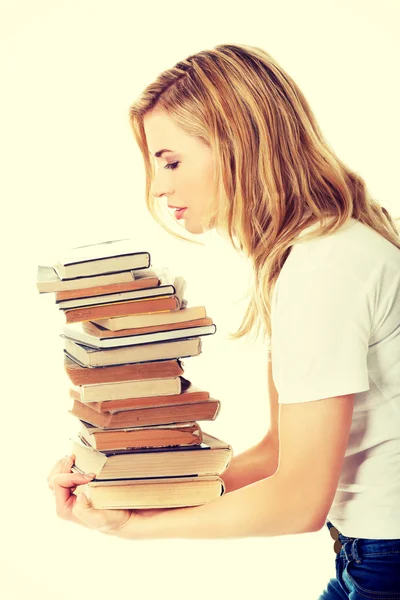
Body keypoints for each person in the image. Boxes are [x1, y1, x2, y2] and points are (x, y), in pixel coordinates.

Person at [47, 43, 400, 598]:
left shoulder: (326, 266)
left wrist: (137, 528)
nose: (159, 187)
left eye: (170, 160)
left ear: (236, 145)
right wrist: (127, 489)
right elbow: (279, 453)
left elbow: (298, 500)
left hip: (387, 559)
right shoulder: (316, 253)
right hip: (369, 552)